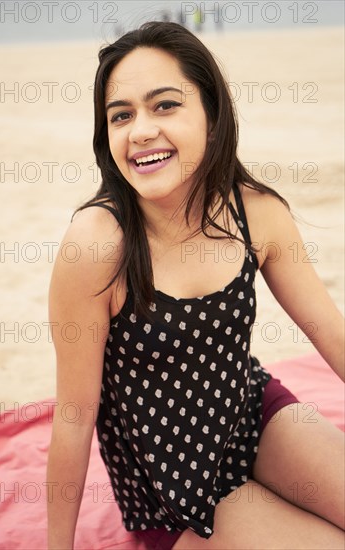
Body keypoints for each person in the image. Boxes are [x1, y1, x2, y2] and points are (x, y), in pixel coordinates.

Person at [46, 21, 345, 550]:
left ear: (211, 116)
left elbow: (333, 334)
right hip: (169, 479)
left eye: (165, 105)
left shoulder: (255, 213)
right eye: (121, 115)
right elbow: (73, 418)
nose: (140, 130)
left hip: (252, 414)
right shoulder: (96, 245)